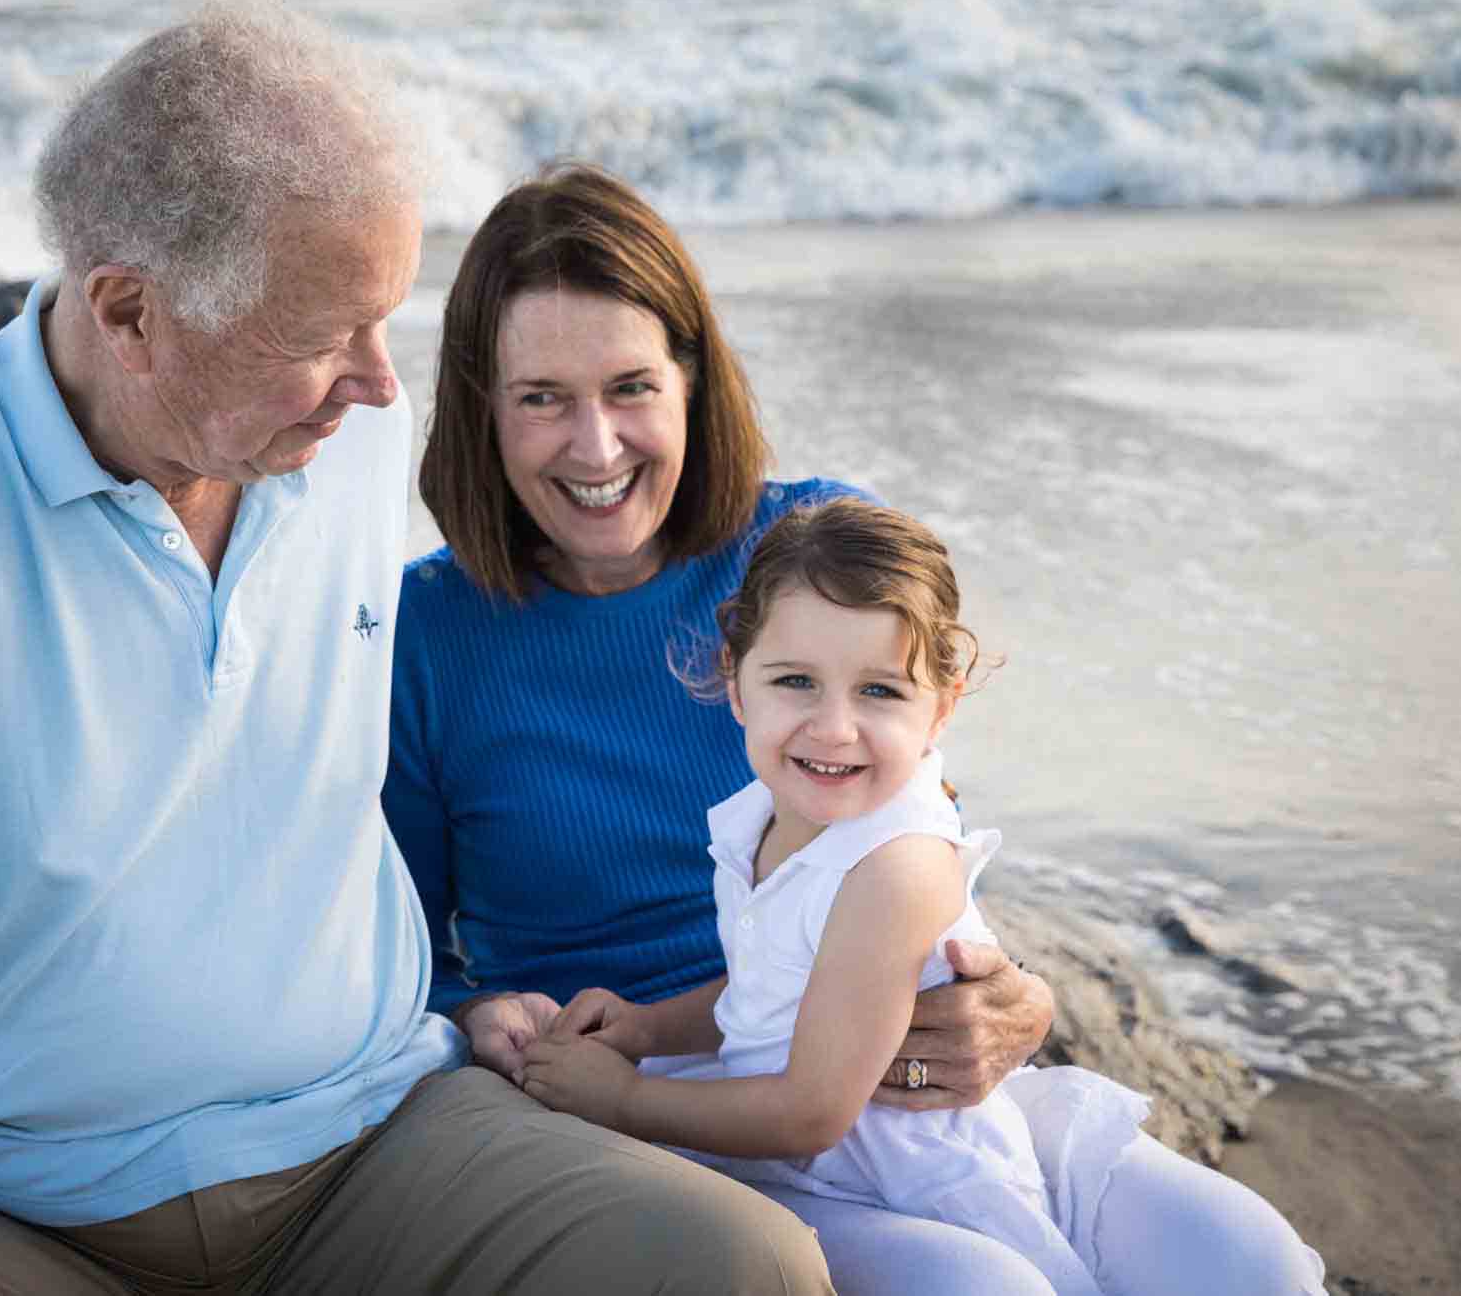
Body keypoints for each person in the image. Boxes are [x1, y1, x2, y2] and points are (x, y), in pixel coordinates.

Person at [0, 2, 833, 1296]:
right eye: (319, 336)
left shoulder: (342, 435)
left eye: (382, 320)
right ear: (129, 312)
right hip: (20, 1205)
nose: (378, 382)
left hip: (369, 1144)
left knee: (736, 1266)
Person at [384, 163, 1063, 1292]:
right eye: (541, 397)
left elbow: (920, 841)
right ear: (482, 409)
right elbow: (395, 952)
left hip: (878, 1087)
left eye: (629, 387)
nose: (595, 449)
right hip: (634, 1120)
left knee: (1245, 1256)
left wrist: (1018, 999)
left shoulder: (806, 539)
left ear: (692, 379)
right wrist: (474, 1011)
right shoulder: (423, 633)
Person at [515, 498, 1329, 1296]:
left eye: (879, 691)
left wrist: (623, 1098)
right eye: (796, 680)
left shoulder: (895, 865)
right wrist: (650, 1024)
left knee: (1261, 1264)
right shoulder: (761, 819)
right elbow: (777, 988)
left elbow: (810, 1113)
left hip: (897, 1157)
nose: (834, 728)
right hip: (808, 1166)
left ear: (942, 705)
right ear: (735, 682)